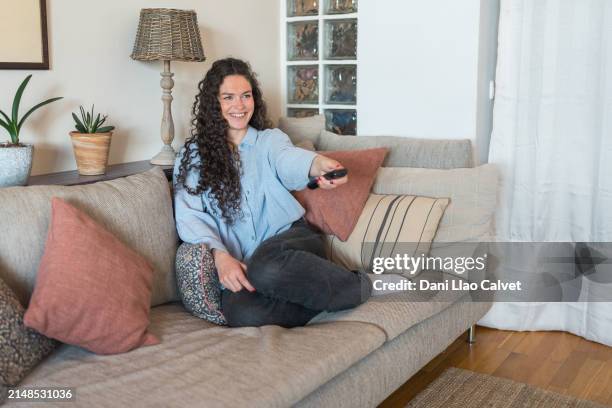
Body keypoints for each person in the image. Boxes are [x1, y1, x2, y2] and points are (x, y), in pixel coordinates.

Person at [173, 58, 371, 328]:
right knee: (241, 313)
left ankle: (360, 284)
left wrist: (317, 165)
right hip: (245, 264)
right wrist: (220, 256)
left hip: (290, 244)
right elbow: (189, 215)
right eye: (228, 97)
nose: (239, 105)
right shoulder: (193, 156)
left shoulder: (270, 140)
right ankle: (323, 297)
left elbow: (288, 160)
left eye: (246, 96)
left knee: (266, 267)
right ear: (213, 104)